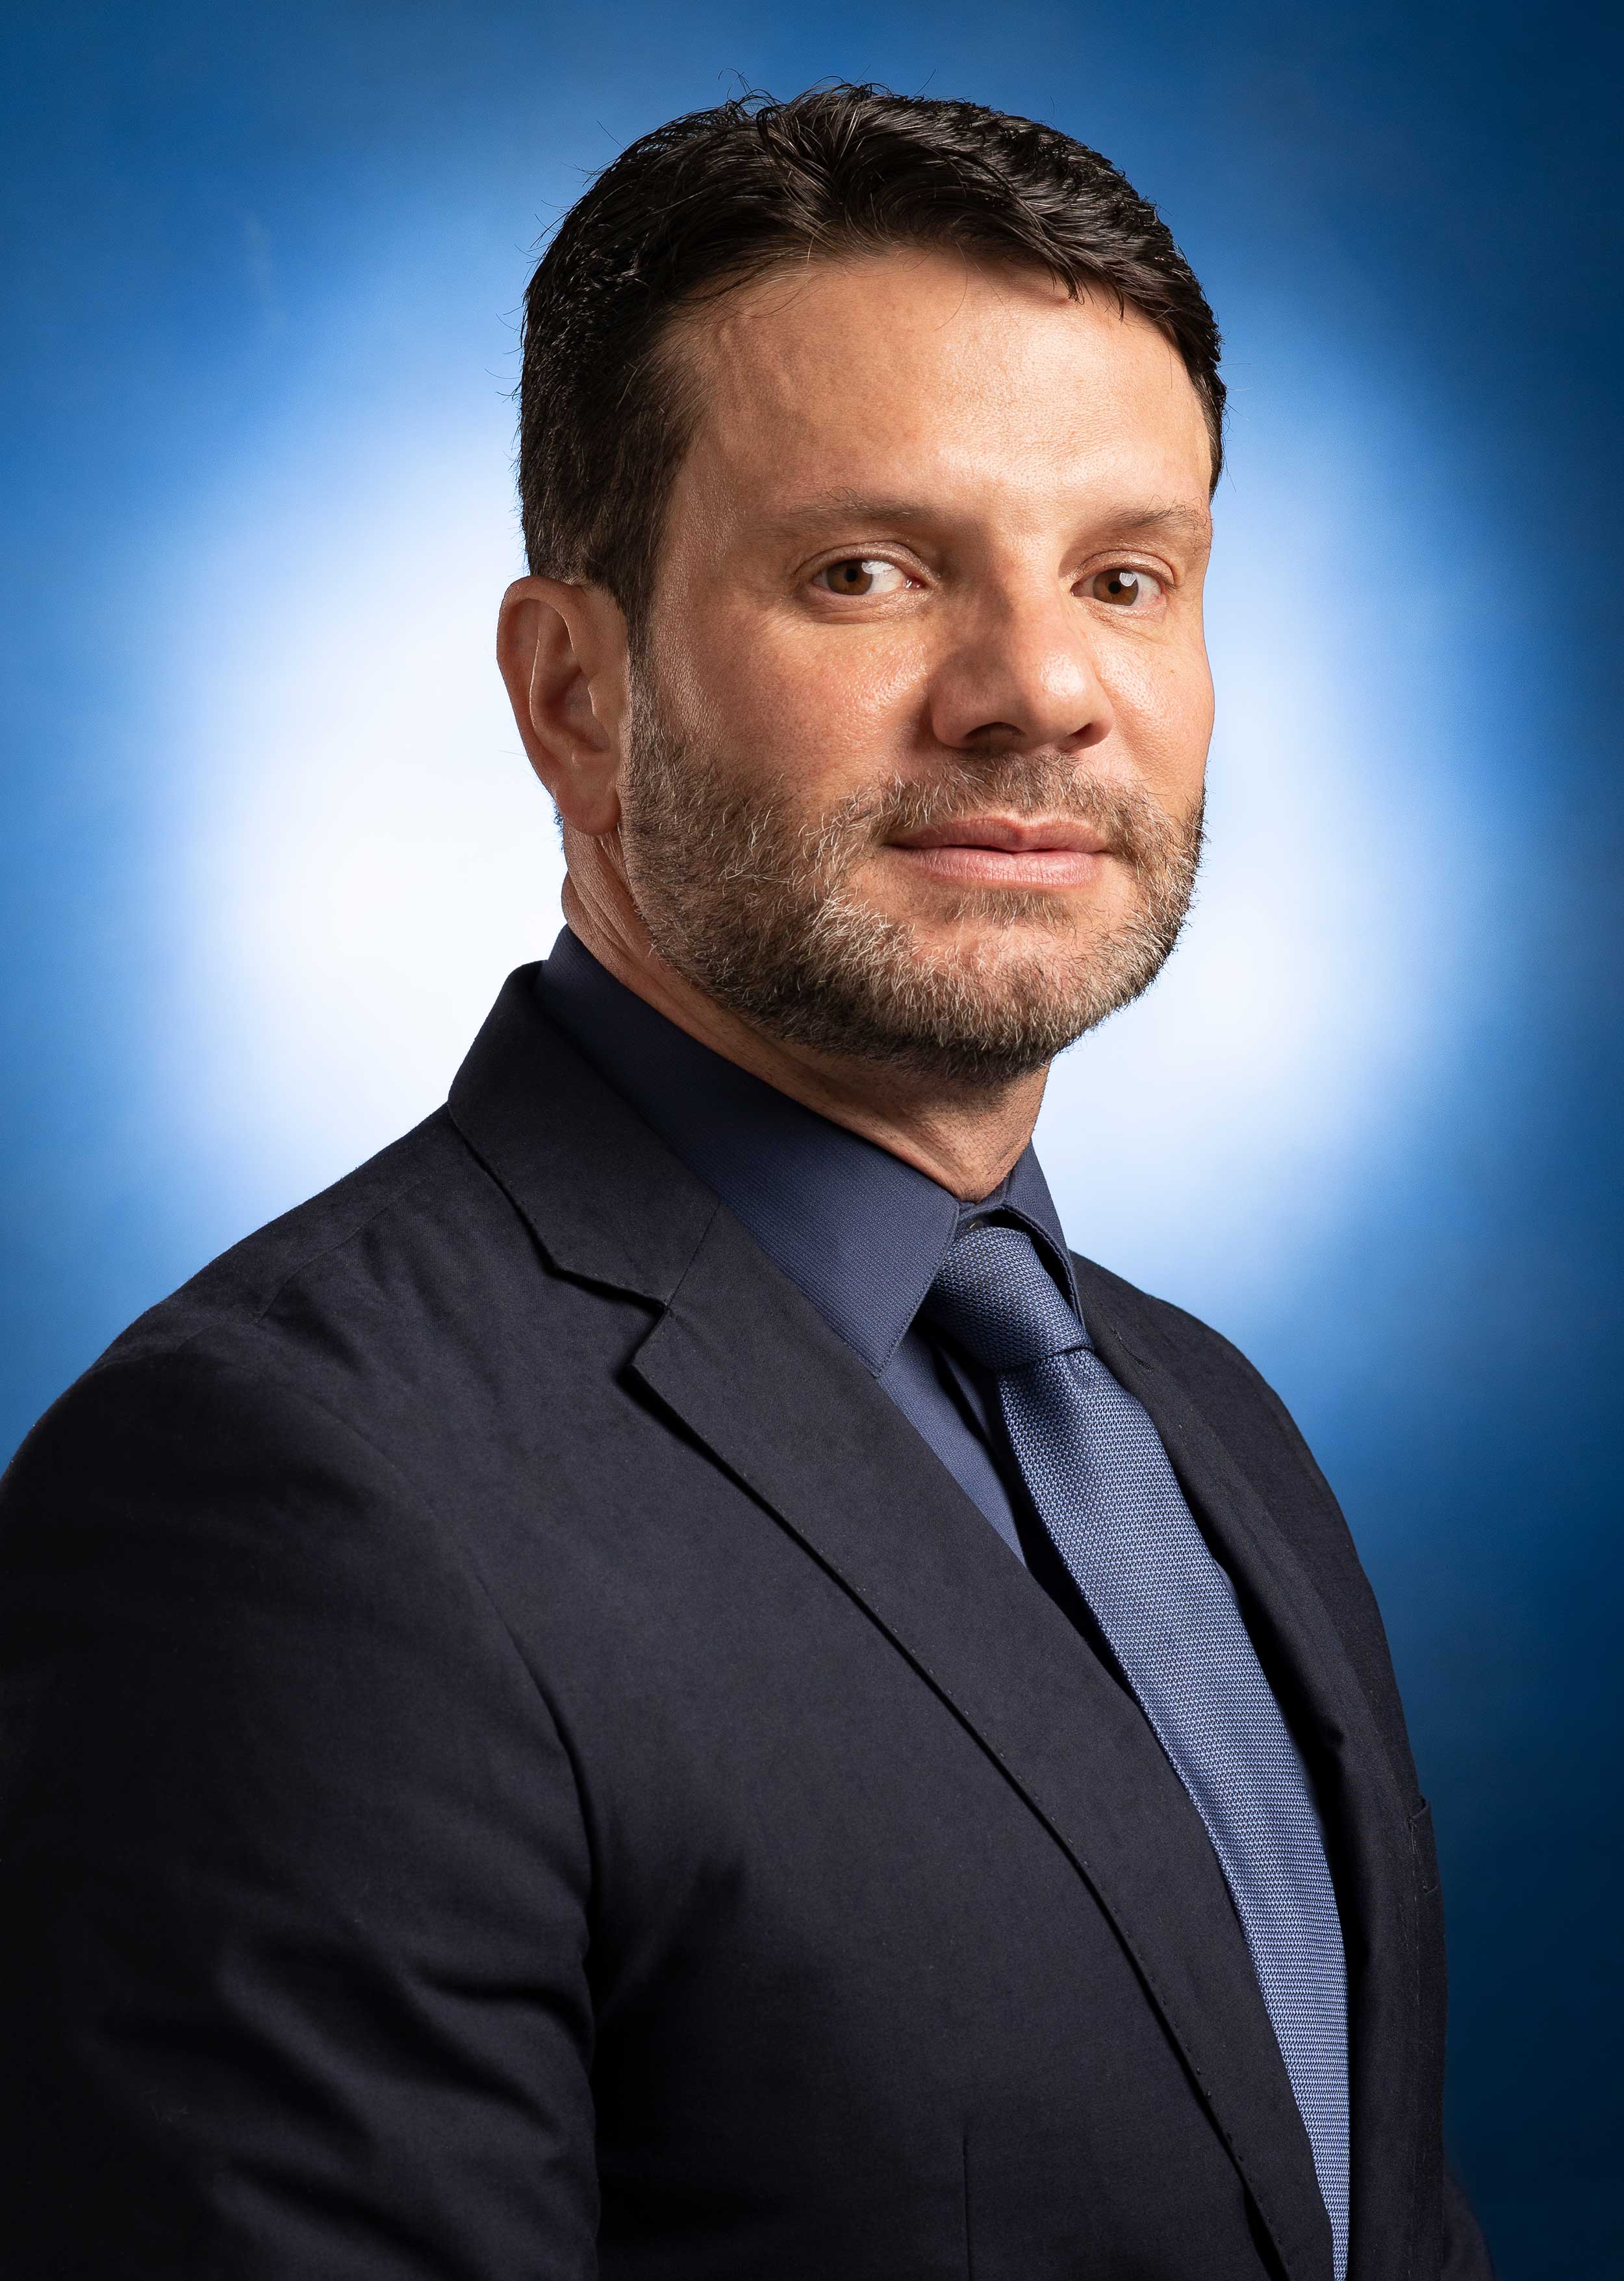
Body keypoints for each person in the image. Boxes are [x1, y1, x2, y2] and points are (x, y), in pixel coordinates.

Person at [0, 85, 1493, 2280]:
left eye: (1124, 578)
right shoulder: (283, 1499)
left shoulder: (1200, 1430)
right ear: (573, 695)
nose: (1039, 692)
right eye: (865, 572)